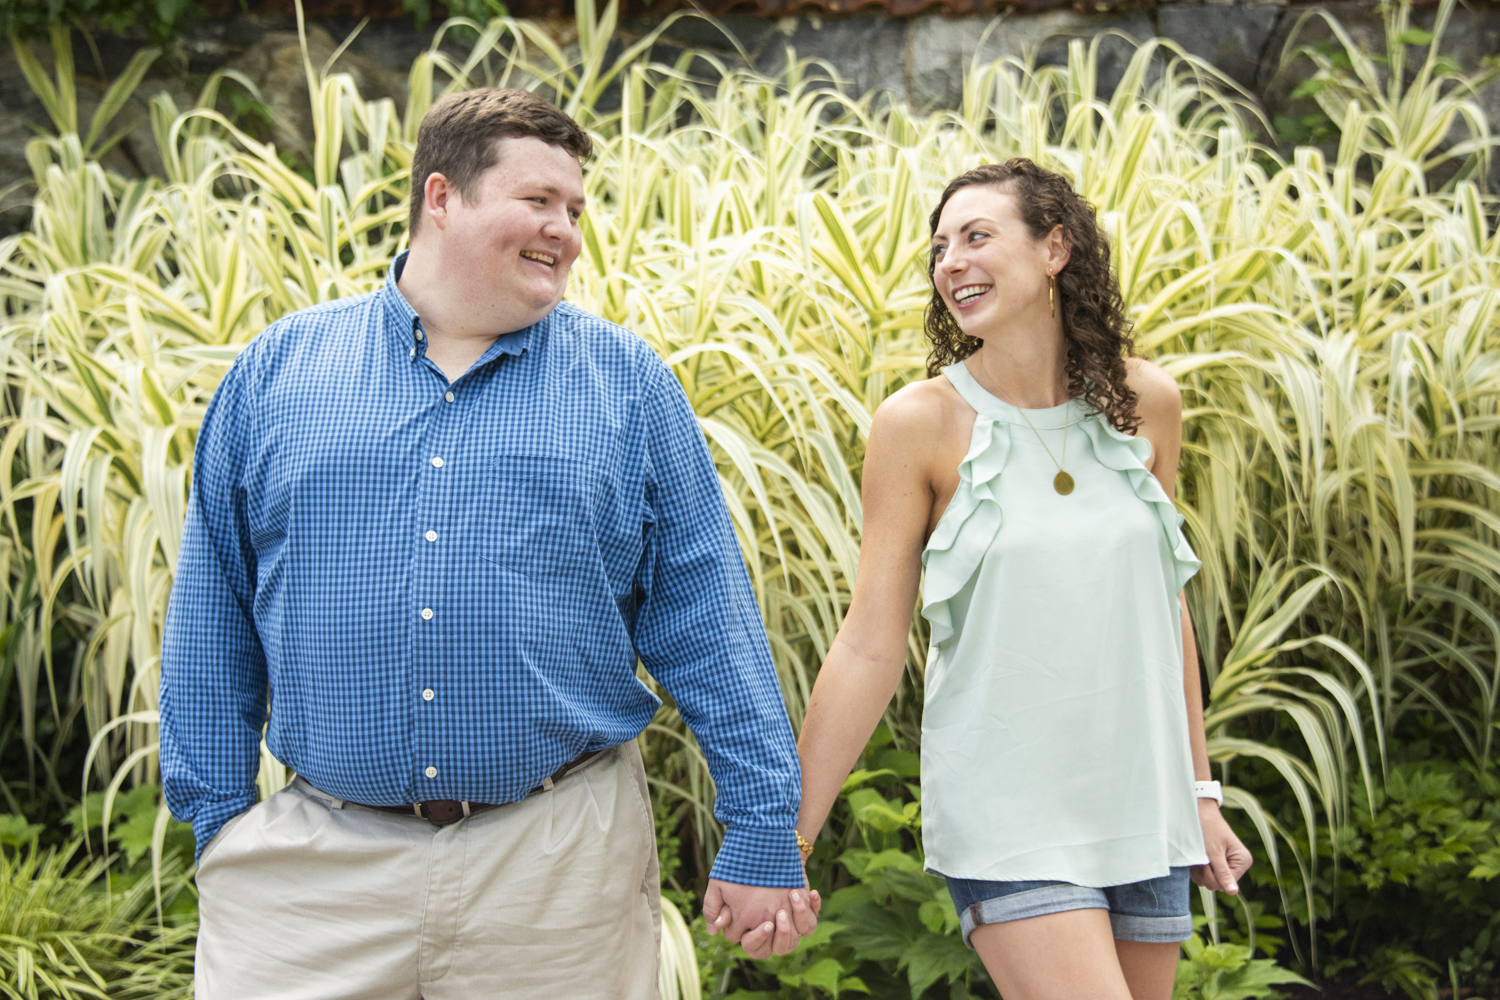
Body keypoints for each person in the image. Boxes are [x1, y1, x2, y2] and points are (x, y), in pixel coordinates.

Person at [160, 87, 817, 1000]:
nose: (566, 231)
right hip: (314, 870)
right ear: (442, 197)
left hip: (557, 863)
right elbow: (212, 615)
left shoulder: (628, 388)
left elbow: (708, 616)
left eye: (577, 210)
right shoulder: (279, 370)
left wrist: (758, 826)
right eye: (538, 202)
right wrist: (220, 827)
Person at [791, 159, 1252, 1000]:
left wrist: (1201, 792)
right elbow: (867, 643)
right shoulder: (919, 425)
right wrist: (786, 834)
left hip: (1144, 804)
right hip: (1011, 811)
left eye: (976, 236)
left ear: (1055, 248)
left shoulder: (1147, 403)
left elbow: (1165, 607)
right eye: (939, 248)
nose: (951, 261)